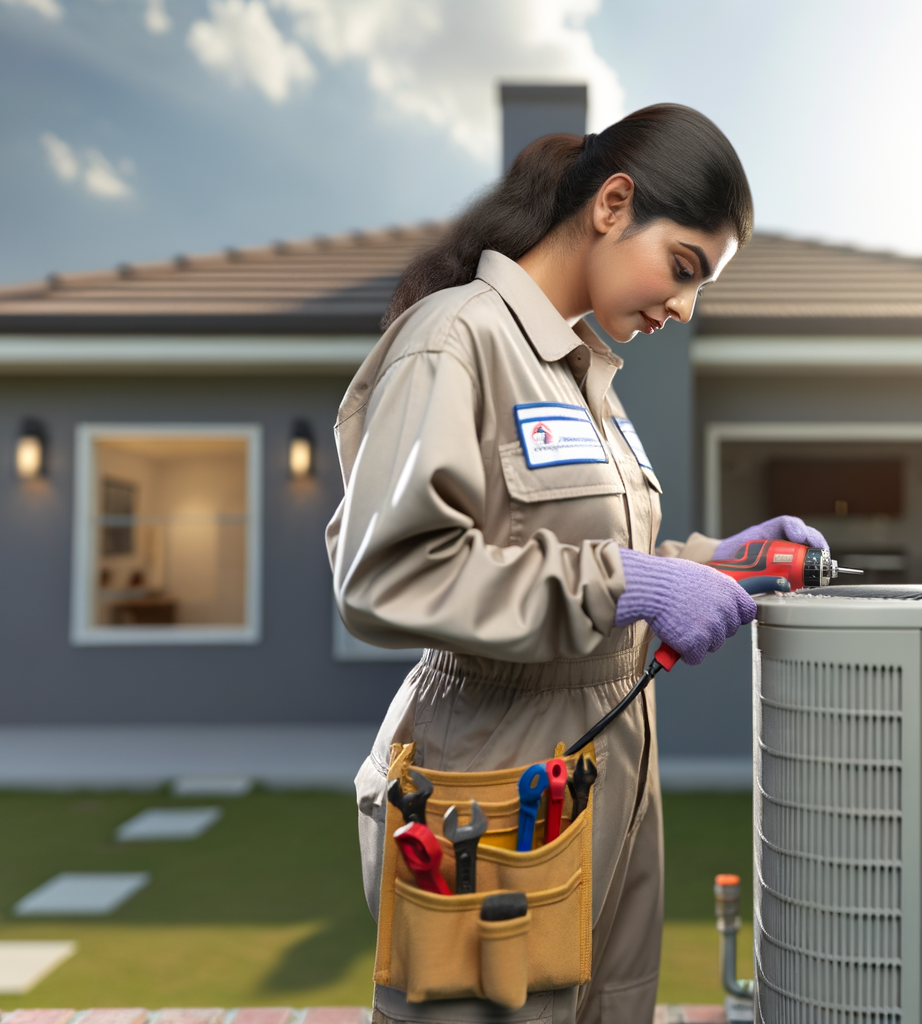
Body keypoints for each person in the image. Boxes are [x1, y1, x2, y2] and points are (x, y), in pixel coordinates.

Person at [326, 103, 825, 1024]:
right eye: (684, 268)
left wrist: (723, 561)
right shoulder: (456, 339)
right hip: (493, 766)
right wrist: (633, 584)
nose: (683, 307)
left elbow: (585, 550)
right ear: (612, 203)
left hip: (607, 760)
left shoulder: (581, 373)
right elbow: (387, 573)